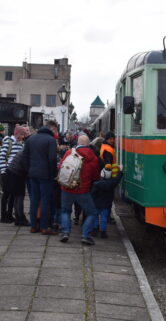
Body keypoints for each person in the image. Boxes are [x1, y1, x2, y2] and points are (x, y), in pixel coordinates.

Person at [59, 135, 100, 245]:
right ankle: (85, 236)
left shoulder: (69, 153)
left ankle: (65, 233)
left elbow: (60, 168)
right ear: (88, 144)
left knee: (65, 211)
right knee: (92, 213)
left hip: (66, 187)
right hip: (82, 190)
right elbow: (96, 177)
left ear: (77, 143)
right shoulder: (94, 157)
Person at [22, 120, 58, 235]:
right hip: (46, 175)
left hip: (32, 174)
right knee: (45, 201)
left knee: (34, 200)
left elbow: (24, 157)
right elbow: (52, 159)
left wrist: (29, 170)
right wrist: (53, 173)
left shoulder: (31, 139)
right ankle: (44, 227)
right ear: (52, 129)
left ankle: (33, 226)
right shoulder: (51, 140)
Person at [0, 125, 25, 223]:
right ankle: (3, 216)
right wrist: (3, 171)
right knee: (6, 195)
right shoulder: (8, 142)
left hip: (16, 173)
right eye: (22, 134)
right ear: (17, 134)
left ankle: (10, 214)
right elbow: (1, 156)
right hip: (7, 172)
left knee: (13, 195)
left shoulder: (21, 144)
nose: (23, 136)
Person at [91, 171, 123, 238]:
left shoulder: (96, 184)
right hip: (105, 205)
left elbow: (92, 194)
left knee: (95, 218)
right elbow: (117, 180)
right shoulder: (111, 184)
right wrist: (120, 172)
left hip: (96, 204)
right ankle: (103, 233)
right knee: (104, 219)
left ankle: (95, 231)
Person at [7, 150, 29, 226]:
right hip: (17, 174)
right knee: (19, 196)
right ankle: (20, 218)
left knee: (17, 196)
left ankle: (18, 217)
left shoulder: (25, 151)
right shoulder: (27, 153)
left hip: (12, 173)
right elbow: (26, 167)